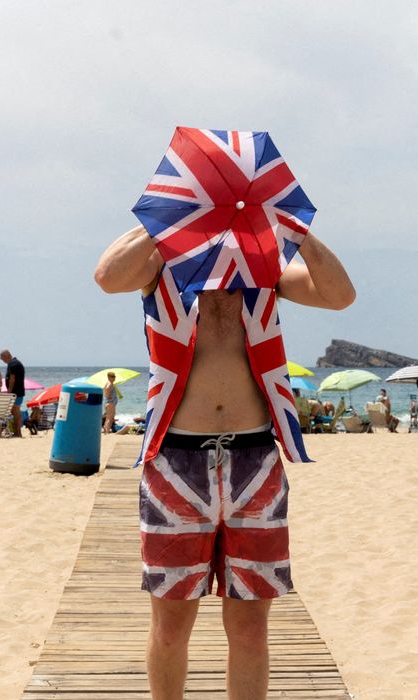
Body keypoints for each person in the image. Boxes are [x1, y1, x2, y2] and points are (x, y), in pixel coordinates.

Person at [94, 222, 354, 699]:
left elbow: (339, 296)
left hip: (254, 460)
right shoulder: (163, 257)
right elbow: (108, 277)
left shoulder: (263, 264)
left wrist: (298, 231)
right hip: (176, 459)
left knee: (251, 629)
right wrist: (167, 216)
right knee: (171, 626)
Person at [0, 349, 25, 437]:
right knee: (15, 412)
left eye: (2, 358)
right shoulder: (15, 363)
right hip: (18, 392)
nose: (2, 360)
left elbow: (12, 379)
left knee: (16, 412)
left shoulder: (13, 364)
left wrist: (9, 392)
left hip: (15, 392)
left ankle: (18, 432)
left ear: (7, 356)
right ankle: (17, 432)